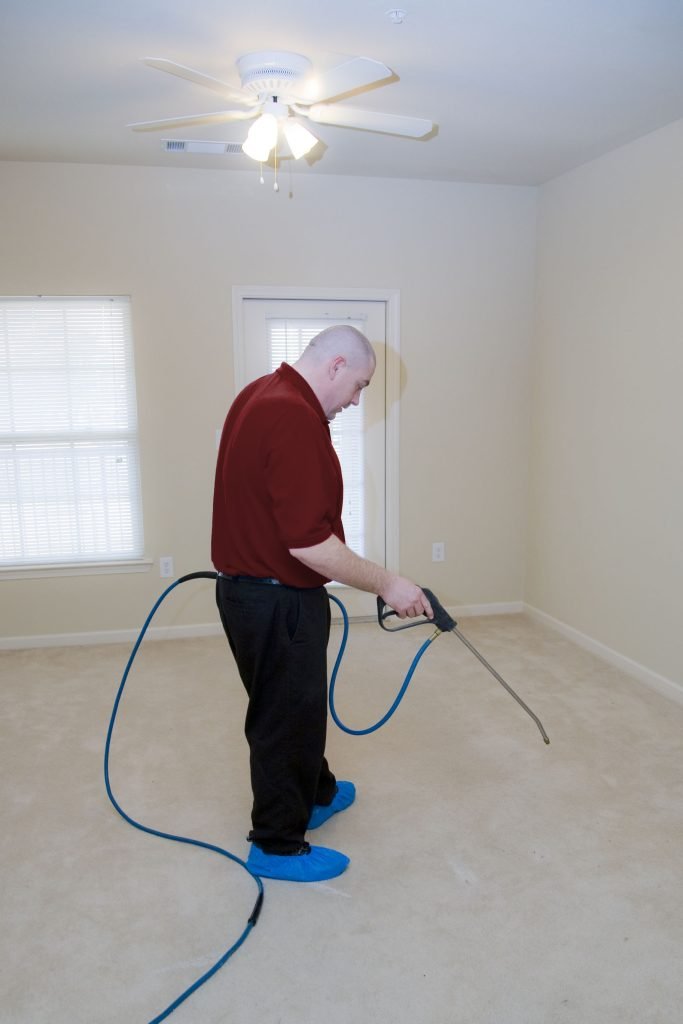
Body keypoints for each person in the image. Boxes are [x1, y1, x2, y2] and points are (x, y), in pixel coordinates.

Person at [212, 324, 432, 883]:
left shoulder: (262, 392)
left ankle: (317, 792)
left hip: (256, 594)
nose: (357, 400)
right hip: (275, 599)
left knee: (297, 708)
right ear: (336, 366)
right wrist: (389, 584)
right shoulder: (291, 415)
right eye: (358, 384)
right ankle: (277, 845)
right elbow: (308, 543)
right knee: (283, 719)